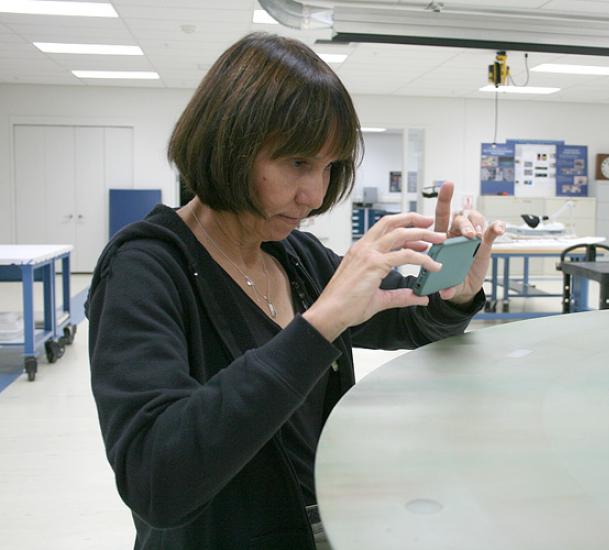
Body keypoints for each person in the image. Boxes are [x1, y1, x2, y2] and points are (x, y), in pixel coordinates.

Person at [86, 32, 504, 550]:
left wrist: (450, 289)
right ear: (228, 144)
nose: (315, 194)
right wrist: (319, 325)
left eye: (329, 168)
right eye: (297, 163)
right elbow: (157, 480)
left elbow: (407, 317)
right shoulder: (146, 269)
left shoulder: (295, 257)